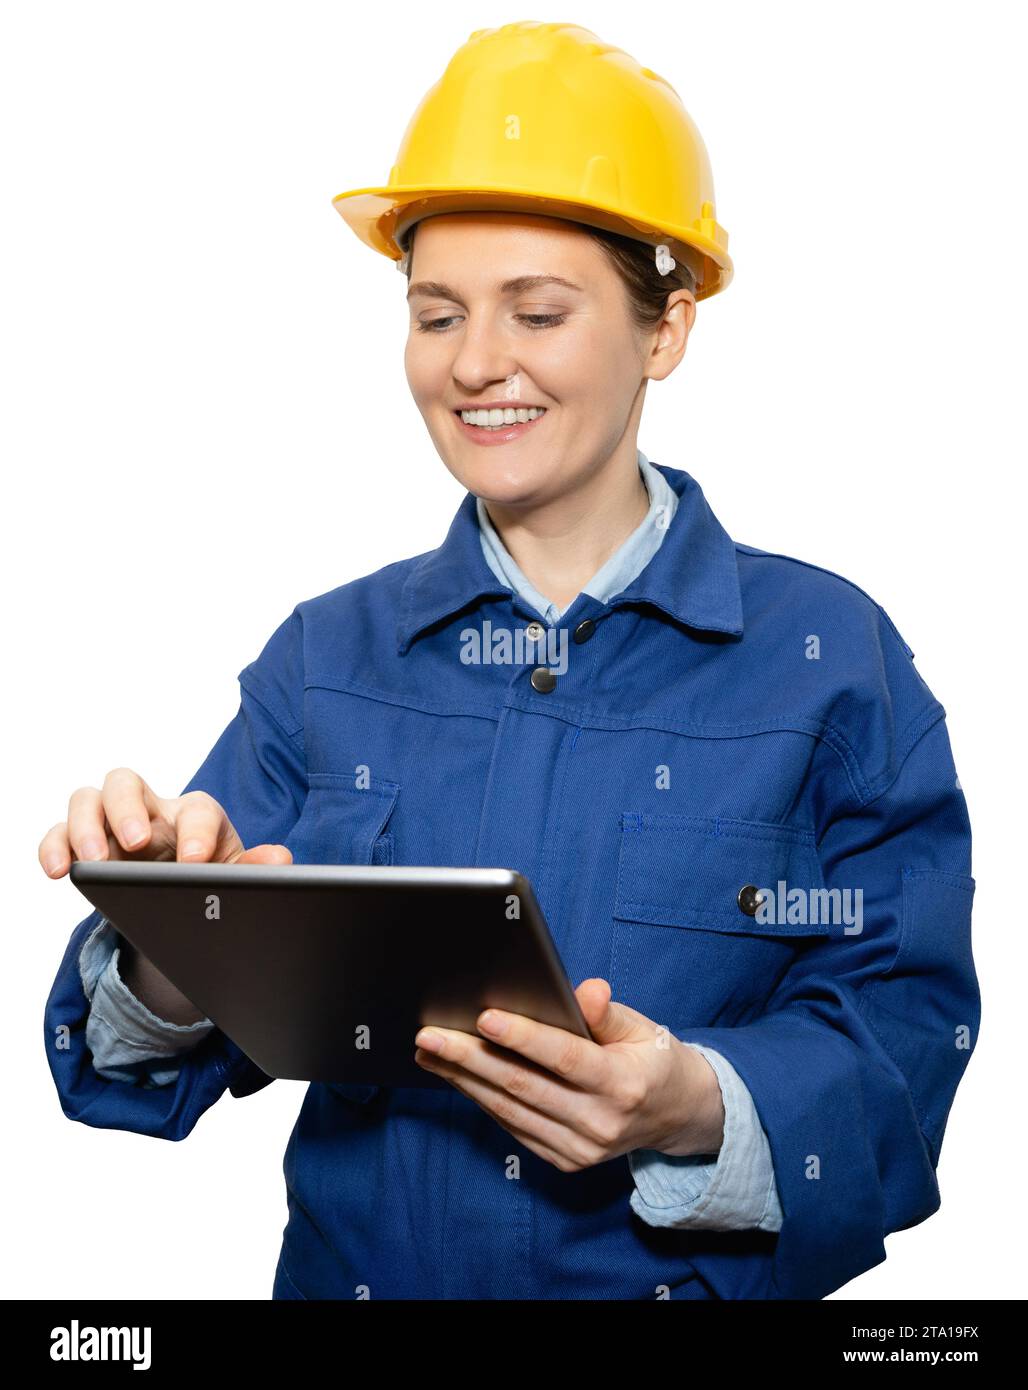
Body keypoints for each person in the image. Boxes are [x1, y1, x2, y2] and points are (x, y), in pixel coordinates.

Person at [40, 21, 978, 1301]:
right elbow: (145, 1057)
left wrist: (694, 1106)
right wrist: (165, 919)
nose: (476, 363)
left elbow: (905, 1033)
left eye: (536, 311)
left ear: (666, 329)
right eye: (436, 314)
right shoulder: (328, 661)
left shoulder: (825, 666)